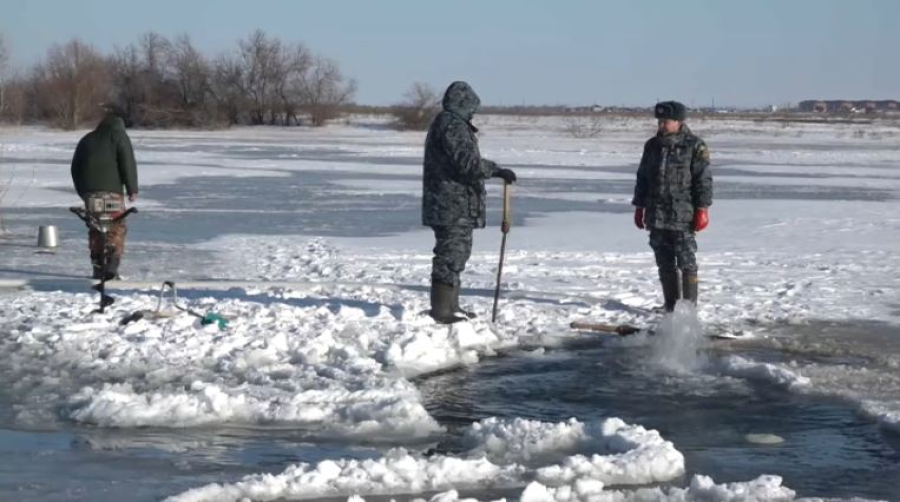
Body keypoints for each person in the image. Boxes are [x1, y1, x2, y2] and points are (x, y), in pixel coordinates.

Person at [422, 81, 517, 323]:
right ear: (462, 104)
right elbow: (466, 162)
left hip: (456, 204)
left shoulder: (451, 123)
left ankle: (451, 306)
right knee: (450, 254)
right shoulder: (451, 125)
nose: (473, 113)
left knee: (458, 254)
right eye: (471, 108)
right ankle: (441, 310)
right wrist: (496, 170)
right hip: (450, 204)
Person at [632, 101, 713, 311]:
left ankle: (688, 308)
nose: (661, 126)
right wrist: (639, 206)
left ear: (679, 121)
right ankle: (671, 306)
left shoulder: (695, 145)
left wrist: (702, 209)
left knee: (686, 261)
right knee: (664, 262)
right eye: (659, 122)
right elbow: (642, 177)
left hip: (683, 214)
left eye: (665, 122)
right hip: (656, 214)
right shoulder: (652, 146)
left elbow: (703, 180)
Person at [70, 106, 138, 280]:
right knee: (115, 227)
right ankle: (111, 267)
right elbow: (127, 162)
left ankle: (97, 267)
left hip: (90, 194)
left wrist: (83, 192)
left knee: (96, 228)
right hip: (112, 192)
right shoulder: (118, 136)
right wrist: (132, 188)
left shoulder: (87, 139)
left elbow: (75, 168)